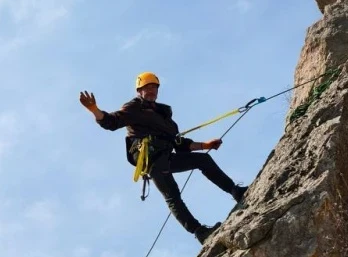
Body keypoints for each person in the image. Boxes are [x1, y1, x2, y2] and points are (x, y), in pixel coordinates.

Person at [79, 72, 247, 243]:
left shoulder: (165, 116)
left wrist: (205, 145)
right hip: (151, 160)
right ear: (140, 90)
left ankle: (235, 191)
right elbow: (112, 122)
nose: (151, 91)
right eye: (147, 87)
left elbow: (180, 144)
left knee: (203, 160)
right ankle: (199, 231)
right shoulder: (134, 108)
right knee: (172, 194)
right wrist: (94, 109)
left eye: (154, 88)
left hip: (166, 156)